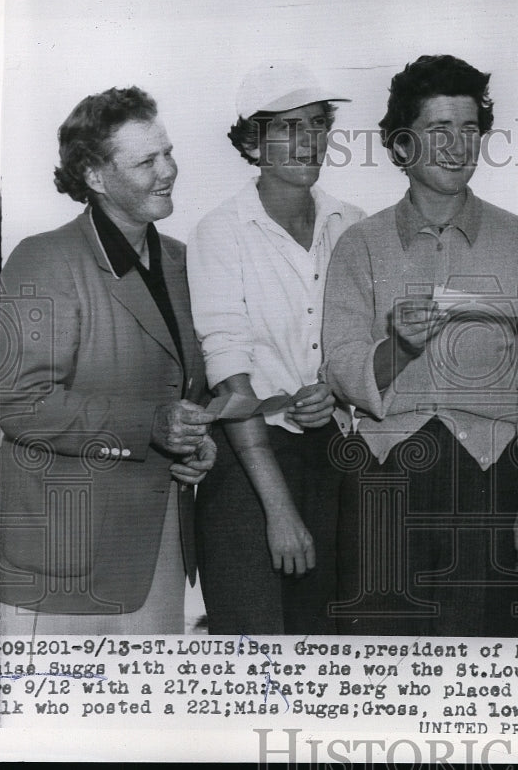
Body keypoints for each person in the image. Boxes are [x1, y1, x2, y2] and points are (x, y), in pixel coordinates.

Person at [322, 54, 518, 637]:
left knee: (476, 666)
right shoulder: (359, 246)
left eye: (469, 129)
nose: (458, 146)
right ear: (402, 144)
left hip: (489, 479)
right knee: (378, 663)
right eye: (439, 129)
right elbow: (341, 369)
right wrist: (397, 347)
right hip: (384, 478)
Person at [0, 86, 216, 636]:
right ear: (95, 177)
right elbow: (22, 404)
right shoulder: (43, 258)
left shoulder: (183, 261)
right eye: (146, 160)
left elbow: (188, 391)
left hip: (157, 553)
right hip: (63, 563)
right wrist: (152, 425)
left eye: (167, 152)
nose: (168, 170)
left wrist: (197, 442)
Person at [187, 62, 365, 635]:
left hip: (332, 458)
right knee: (254, 647)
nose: (308, 141)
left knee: (328, 649)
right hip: (248, 466)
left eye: (316, 123)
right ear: (252, 142)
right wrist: (279, 511)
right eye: (288, 128)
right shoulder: (220, 232)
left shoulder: (352, 225)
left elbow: (357, 346)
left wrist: (332, 390)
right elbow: (232, 384)